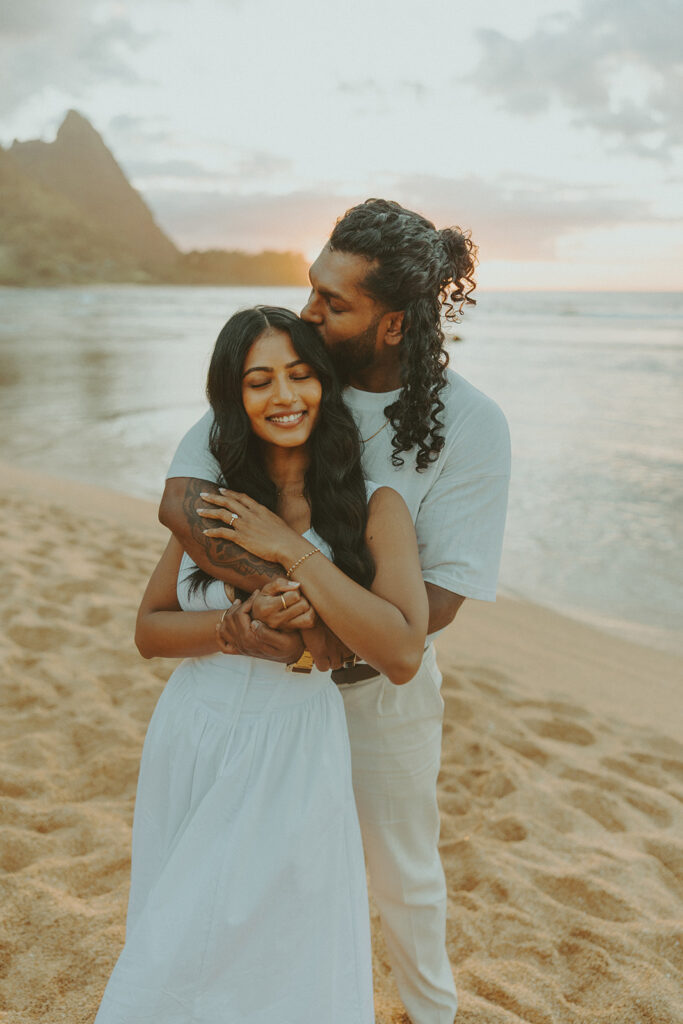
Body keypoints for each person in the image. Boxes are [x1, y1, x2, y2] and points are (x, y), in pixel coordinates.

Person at [160, 199, 511, 1024]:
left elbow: (439, 601)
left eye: (333, 303)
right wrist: (272, 611)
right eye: (312, 288)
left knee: (402, 878)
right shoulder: (290, 375)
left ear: (392, 324)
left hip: (377, 700)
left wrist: (317, 635)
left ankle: (432, 1015)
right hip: (266, 693)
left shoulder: (470, 424)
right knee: (261, 876)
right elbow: (185, 502)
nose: (309, 312)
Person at [94, 306, 429, 1024]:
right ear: (233, 398)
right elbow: (149, 630)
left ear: (325, 386)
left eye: (301, 376)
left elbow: (401, 651)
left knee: (282, 943)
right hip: (195, 729)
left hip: (293, 742)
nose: (284, 397)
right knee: (174, 934)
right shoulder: (213, 501)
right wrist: (230, 628)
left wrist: (286, 545)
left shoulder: (376, 508)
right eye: (259, 381)